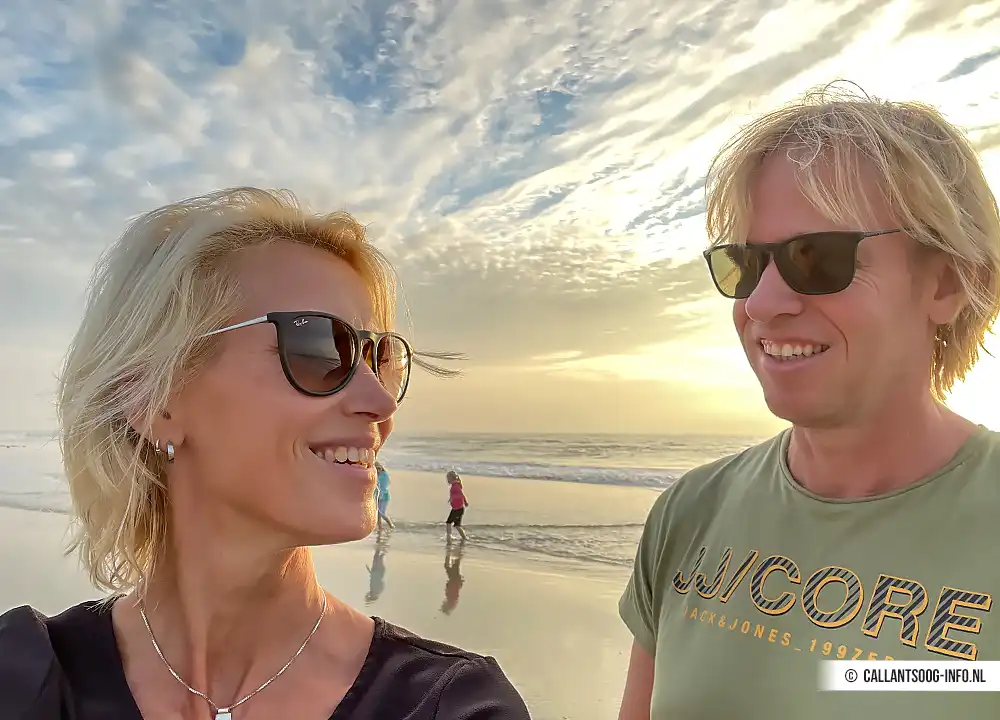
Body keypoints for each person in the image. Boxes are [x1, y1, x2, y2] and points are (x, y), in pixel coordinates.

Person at [0, 187, 531, 719]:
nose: (380, 400)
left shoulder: (449, 707)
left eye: (380, 357)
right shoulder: (24, 682)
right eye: (320, 349)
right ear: (155, 400)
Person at [616, 82, 1000, 720]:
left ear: (952, 281)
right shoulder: (689, 514)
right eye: (743, 265)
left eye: (816, 257)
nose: (761, 305)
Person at [441, 543, 466, 616]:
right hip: (454, 579)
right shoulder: (451, 601)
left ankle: (453, 552)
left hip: (453, 580)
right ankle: (458, 549)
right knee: (454, 564)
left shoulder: (451, 601)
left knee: (452, 565)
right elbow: (454, 590)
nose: (443, 603)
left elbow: (452, 590)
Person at [445, 470, 469, 542]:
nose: (447, 480)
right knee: (457, 525)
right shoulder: (456, 485)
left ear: (451, 478)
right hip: (459, 509)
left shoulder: (455, 486)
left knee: (448, 523)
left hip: (457, 509)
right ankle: (464, 538)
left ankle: (448, 538)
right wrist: (465, 502)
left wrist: (453, 499)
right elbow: (461, 494)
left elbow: (460, 495)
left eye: (448, 479)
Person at [373, 460, 394, 530]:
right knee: (378, 514)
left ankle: (391, 525)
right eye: (377, 468)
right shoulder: (375, 475)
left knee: (382, 513)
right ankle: (380, 528)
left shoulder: (384, 475)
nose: (378, 470)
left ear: (381, 468)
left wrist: (380, 494)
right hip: (378, 496)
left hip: (384, 497)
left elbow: (384, 487)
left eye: (379, 468)